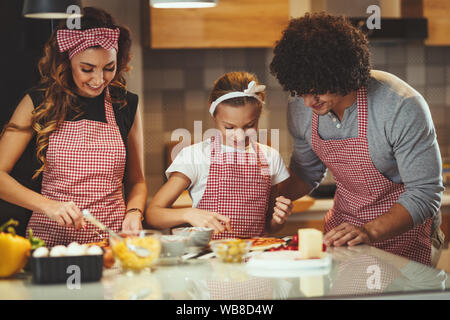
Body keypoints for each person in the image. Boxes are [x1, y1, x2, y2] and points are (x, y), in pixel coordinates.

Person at [270, 13, 445, 266]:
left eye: (317, 90)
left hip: (404, 234)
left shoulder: (399, 105)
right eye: (301, 91)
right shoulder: (301, 108)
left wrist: (369, 231)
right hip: (344, 233)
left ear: (341, 73)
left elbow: (425, 193)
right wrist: (261, 197)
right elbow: (305, 174)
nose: (308, 102)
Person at [0, 7, 146, 247]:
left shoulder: (125, 104)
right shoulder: (38, 101)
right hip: (51, 245)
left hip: (111, 243)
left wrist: (134, 212)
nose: (99, 80)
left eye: (108, 67)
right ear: (67, 62)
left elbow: (137, 180)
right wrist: (47, 205)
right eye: (87, 69)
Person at [146, 72, 292, 239]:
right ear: (213, 113)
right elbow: (152, 214)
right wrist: (188, 214)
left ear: (258, 116)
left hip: (254, 258)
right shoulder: (195, 156)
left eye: (249, 125)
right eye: (229, 127)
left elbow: (269, 226)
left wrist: (279, 220)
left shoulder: (270, 157)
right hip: (210, 259)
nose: (239, 135)